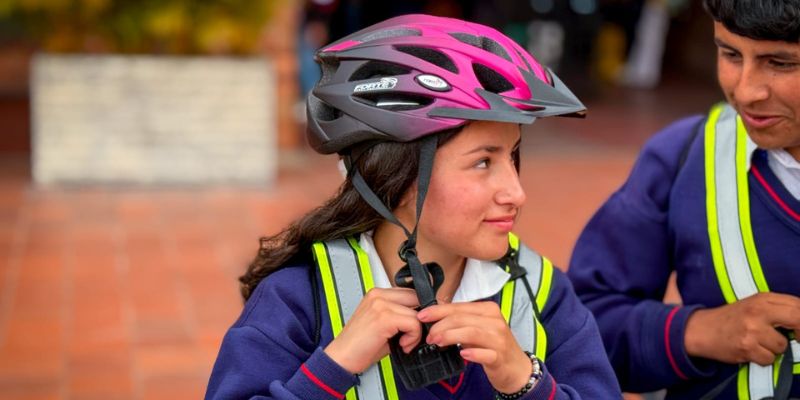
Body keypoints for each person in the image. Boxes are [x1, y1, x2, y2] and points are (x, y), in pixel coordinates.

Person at [205, 14, 621, 400]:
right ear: (398, 179)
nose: (515, 192)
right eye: (482, 162)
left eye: (511, 157)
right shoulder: (297, 298)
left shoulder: (542, 295)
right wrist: (333, 367)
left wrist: (524, 379)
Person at [567, 0, 800, 399]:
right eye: (729, 53)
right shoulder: (682, 158)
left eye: (779, 62)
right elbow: (578, 331)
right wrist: (701, 331)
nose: (745, 91)